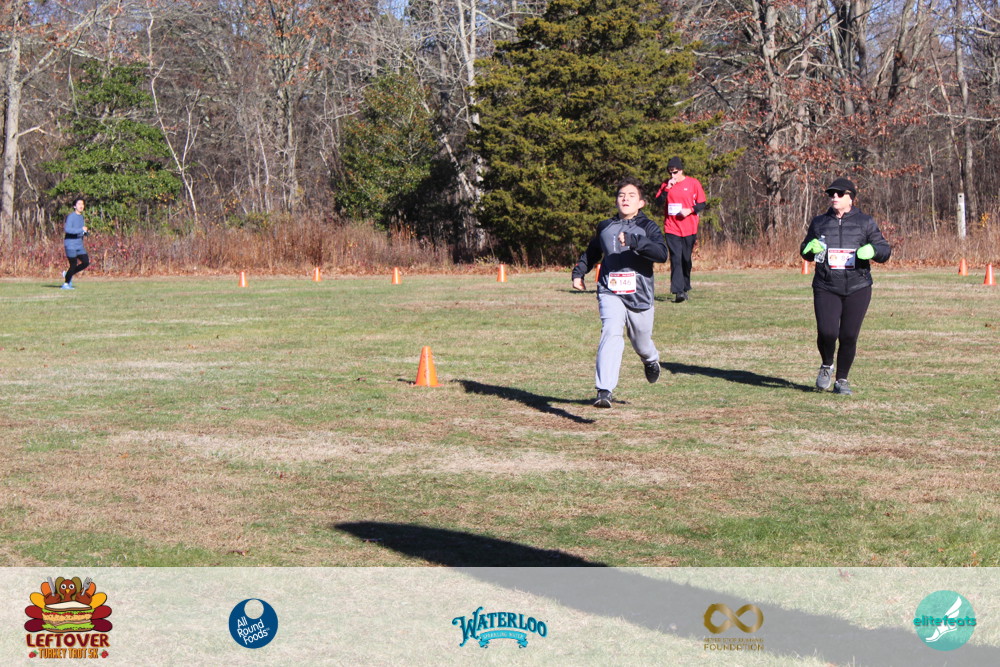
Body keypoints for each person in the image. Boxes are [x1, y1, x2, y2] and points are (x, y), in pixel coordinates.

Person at [572, 177, 669, 408]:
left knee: (641, 342)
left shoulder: (648, 227)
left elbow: (661, 254)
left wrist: (636, 241)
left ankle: (650, 359)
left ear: (641, 203)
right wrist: (579, 272)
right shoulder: (605, 226)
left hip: (640, 294)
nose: (625, 199)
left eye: (631, 195)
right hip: (609, 289)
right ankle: (604, 390)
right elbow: (593, 252)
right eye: (621, 195)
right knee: (611, 332)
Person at [800, 178, 891, 395]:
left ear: (851, 198)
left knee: (849, 335)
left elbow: (884, 250)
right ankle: (826, 364)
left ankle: (842, 380)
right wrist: (809, 249)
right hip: (826, 285)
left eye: (840, 194)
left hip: (858, 286)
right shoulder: (820, 222)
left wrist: (873, 251)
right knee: (827, 332)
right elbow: (805, 251)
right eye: (831, 193)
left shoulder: (865, 222)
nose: (835, 197)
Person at [654, 156, 706, 302]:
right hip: (671, 228)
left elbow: (702, 203)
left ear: (681, 170)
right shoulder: (666, 185)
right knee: (676, 258)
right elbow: (658, 202)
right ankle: (678, 292)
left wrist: (690, 210)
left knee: (685, 259)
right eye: (670, 172)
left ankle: (685, 286)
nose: (672, 175)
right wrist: (667, 189)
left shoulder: (693, 183)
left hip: (689, 228)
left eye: (675, 172)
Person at [61, 197, 89, 290]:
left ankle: (68, 274)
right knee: (73, 264)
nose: (81, 206)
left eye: (82, 204)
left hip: (79, 245)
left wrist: (85, 232)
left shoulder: (81, 217)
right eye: (79, 204)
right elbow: (67, 229)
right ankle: (65, 284)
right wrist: (80, 230)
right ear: (74, 206)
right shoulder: (71, 216)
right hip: (70, 244)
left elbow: (79, 231)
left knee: (85, 262)